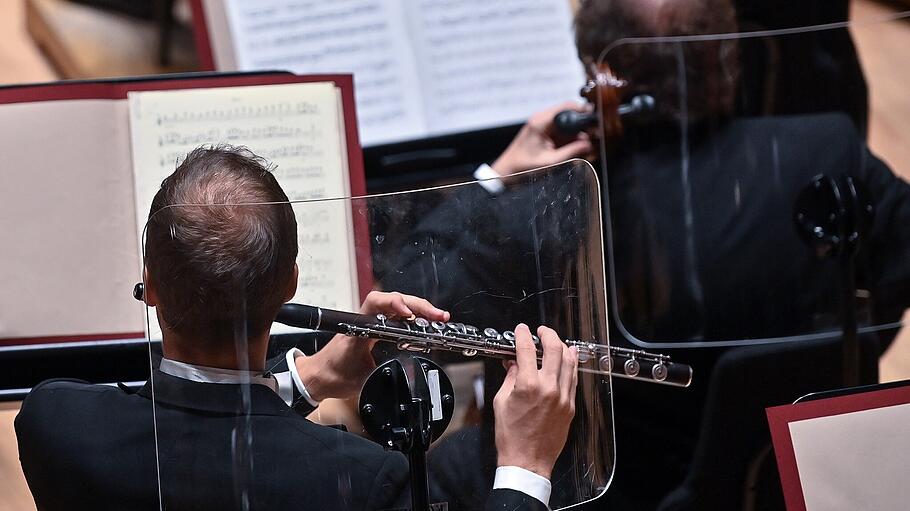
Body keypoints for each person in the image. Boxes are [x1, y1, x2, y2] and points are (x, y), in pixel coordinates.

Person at [383, 0, 910, 508]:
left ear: (604, 74)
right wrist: (834, 356)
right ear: (728, 54)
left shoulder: (559, 208)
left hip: (611, 488)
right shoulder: (828, 150)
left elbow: (408, 304)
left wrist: (498, 178)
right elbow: (893, 276)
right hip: (780, 473)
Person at [15, 146, 579, 511]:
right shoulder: (364, 484)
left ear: (150, 287)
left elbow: (183, 433)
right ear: (291, 285)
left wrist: (303, 381)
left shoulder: (55, 425)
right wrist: (523, 467)